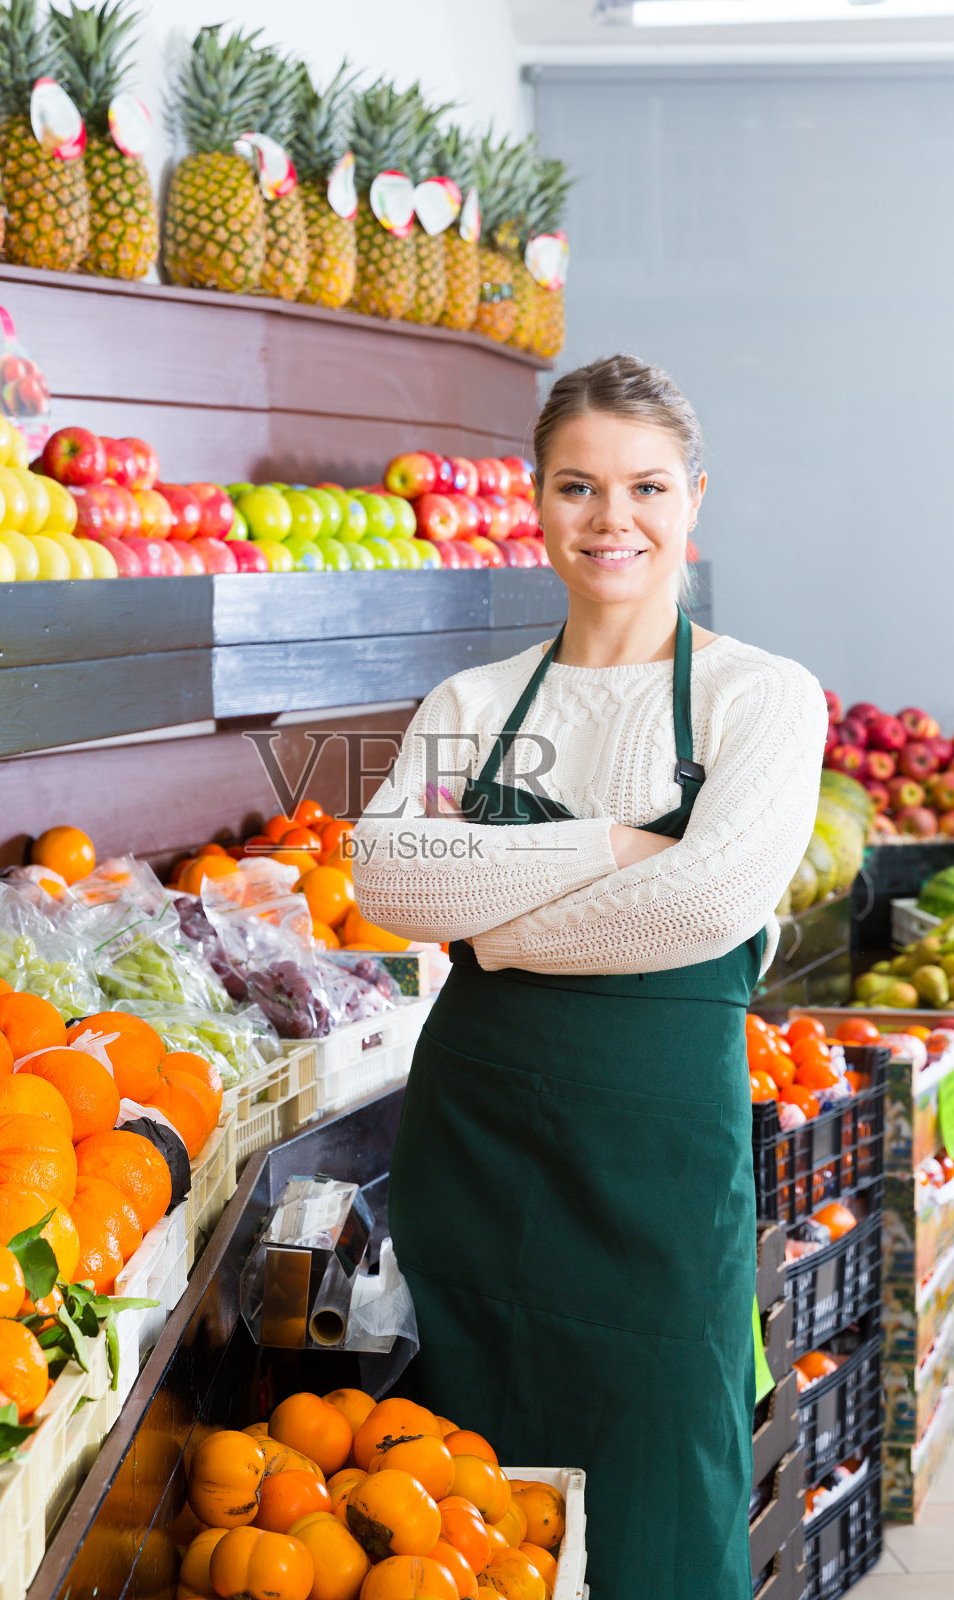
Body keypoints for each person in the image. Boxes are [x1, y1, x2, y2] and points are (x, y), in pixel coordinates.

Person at [350, 354, 828, 1600]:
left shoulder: (760, 699)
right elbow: (393, 880)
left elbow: (711, 899)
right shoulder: (473, 698)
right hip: (475, 1164)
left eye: (645, 487)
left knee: (663, 1501)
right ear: (536, 496)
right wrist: (612, 845)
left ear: (694, 498)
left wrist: (492, 917)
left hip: (658, 1187)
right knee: (464, 1522)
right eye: (578, 486)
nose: (612, 519)